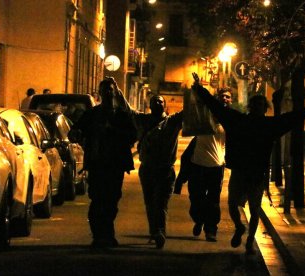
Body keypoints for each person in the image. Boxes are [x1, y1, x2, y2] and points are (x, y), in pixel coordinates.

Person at [191, 72, 305, 255]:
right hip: (243, 171)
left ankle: (250, 240)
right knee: (234, 204)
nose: (259, 108)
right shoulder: (243, 121)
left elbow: (290, 119)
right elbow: (216, 107)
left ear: (263, 107)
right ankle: (239, 228)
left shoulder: (258, 124)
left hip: (255, 173)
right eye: (257, 105)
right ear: (253, 107)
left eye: (261, 105)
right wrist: (199, 89)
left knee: (253, 208)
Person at [69, 77, 136, 248]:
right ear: (99, 93)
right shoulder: (92, 114)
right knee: (98, 199)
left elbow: (132, 135)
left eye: (110, 89)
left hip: (115, 165)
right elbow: (76, 129)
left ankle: (107, 233)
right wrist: (76, 133)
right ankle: (99, 234)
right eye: (104, 90)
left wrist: (112, 131)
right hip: (97, 164)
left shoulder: (121, 115)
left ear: (115, 93)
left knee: (112, 200)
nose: (108, 93)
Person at [116, 85, 183, 249]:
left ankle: (159, 231)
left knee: (161, 202)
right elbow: (127, 109)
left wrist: (198, 90)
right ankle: (155, 232)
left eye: (160, 101)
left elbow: (189, 111)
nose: (157, 104)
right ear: (150, 105)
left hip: (165, 169)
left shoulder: (172, 122)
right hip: (147, 169)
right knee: (150, 202)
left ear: (164, 105)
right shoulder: (143, 120)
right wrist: (117, 91)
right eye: (155, 101)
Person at [174, 88, 232, 242]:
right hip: (197, 164)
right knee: (196, 198)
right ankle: (199, 219)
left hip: (216, 166)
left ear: (230, 101)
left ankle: (211, 230)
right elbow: (195, 102)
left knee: (213, 201)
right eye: (222, 96)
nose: (225, 99)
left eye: (228, 97)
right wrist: (198, 87)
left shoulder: (230, 121)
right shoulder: (204, 116)